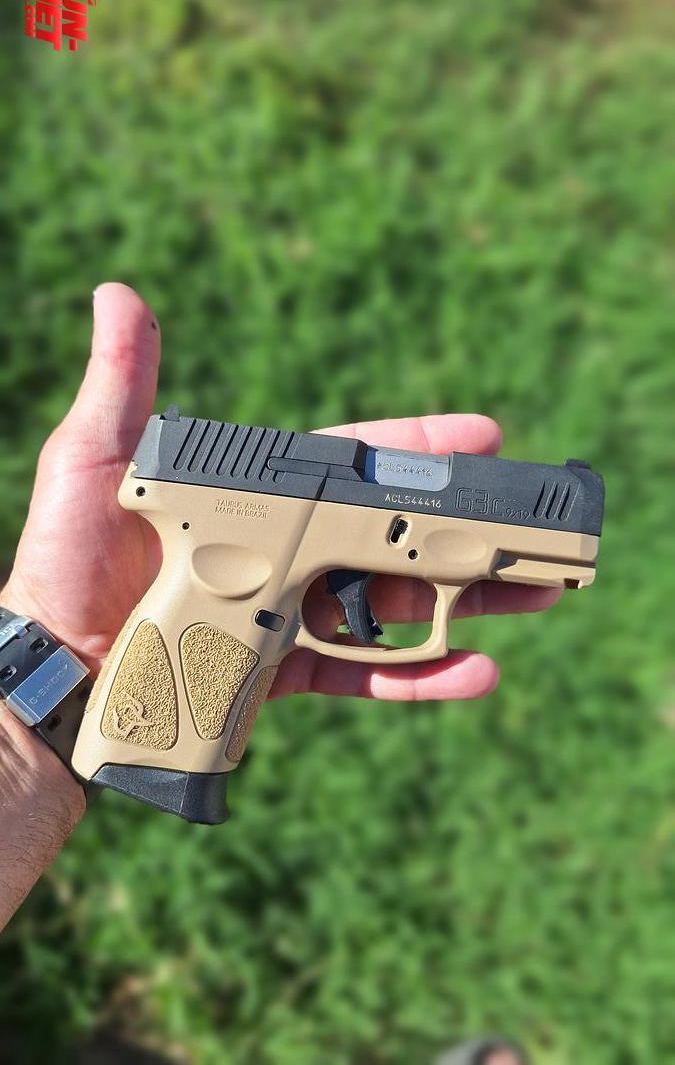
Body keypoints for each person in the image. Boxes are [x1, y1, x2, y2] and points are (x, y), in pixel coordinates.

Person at [0, 284, 553, 1062]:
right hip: (246, 506)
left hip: (246, 498)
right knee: (222, 601)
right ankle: (148, 754)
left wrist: (22, 735)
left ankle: (141, 749)